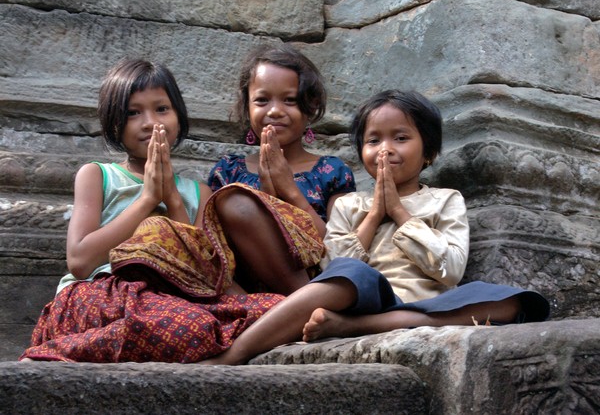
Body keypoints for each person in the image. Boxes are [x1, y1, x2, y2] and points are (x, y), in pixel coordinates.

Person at [201, 89, 550, 365]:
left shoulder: (445, 199)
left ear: (428, 152)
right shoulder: (351, 203)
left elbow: (451, 270)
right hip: (367, 297)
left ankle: (350, 329)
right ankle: (235, 353)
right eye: (373, 140)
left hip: (427, 305)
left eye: (400, 138)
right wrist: (373, 216)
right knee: (353, 271)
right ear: (361, 151)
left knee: (515, 303)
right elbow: (329, 268)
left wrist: (399, 212)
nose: (386, 150)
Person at [20, 59, 283, 363]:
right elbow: (79, 261)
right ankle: (56, 349)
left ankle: (93, 345)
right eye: (133, 113)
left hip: (170, 300)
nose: (150, 122)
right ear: (114, 123)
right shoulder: (97, 175)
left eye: (161, 109)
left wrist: (172, 200)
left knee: (272, 310)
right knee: (191, 329)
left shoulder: (199, 192)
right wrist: (147, 198)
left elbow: (200, 273)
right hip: (99, 295)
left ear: (179, 117)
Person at [207, 44, 356, 294]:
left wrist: (290, 191)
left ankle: (301, 303)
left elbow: (339, 248)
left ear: (311, 106)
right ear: (247, 107)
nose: (275, 111)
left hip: (315, 283)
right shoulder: (228, 171)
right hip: (247, 292)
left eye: (290, 100)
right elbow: (217, 249)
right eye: (262, 100)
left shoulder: (332, 171)